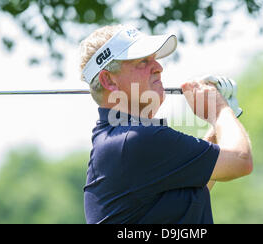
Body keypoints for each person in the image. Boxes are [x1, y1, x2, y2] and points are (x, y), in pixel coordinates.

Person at [79, 25, 253, 224]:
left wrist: (222, 120)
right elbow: (240, 161)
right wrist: (220, 111)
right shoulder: (137, 140)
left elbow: (196, 185)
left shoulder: (127, 140)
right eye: (143, 61)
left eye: (154, 58)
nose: (159, 67)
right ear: (108, 80)